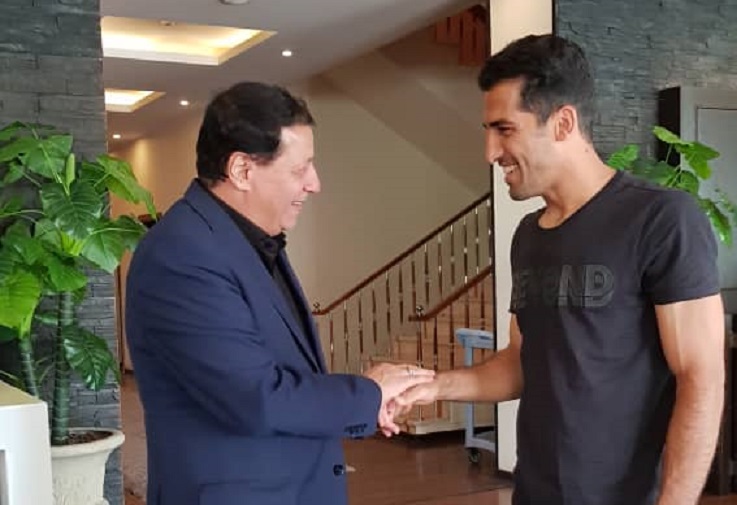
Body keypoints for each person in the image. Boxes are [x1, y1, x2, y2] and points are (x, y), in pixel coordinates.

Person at [396, 34, 725, 505]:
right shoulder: (528, 237)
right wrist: (433, 386)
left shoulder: (661, 219)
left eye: (504, 129)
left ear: (563, 123)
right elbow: (519, 363)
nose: (490, 151)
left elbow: (701, 377)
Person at [125, 81, 433, 505]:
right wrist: (369, 392)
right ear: (241, 170)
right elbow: (256, 397)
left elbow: (281, 377)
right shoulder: (182, 255)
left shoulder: (244, 239)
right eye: (299, 169)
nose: (315, 183)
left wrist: (364, 405)